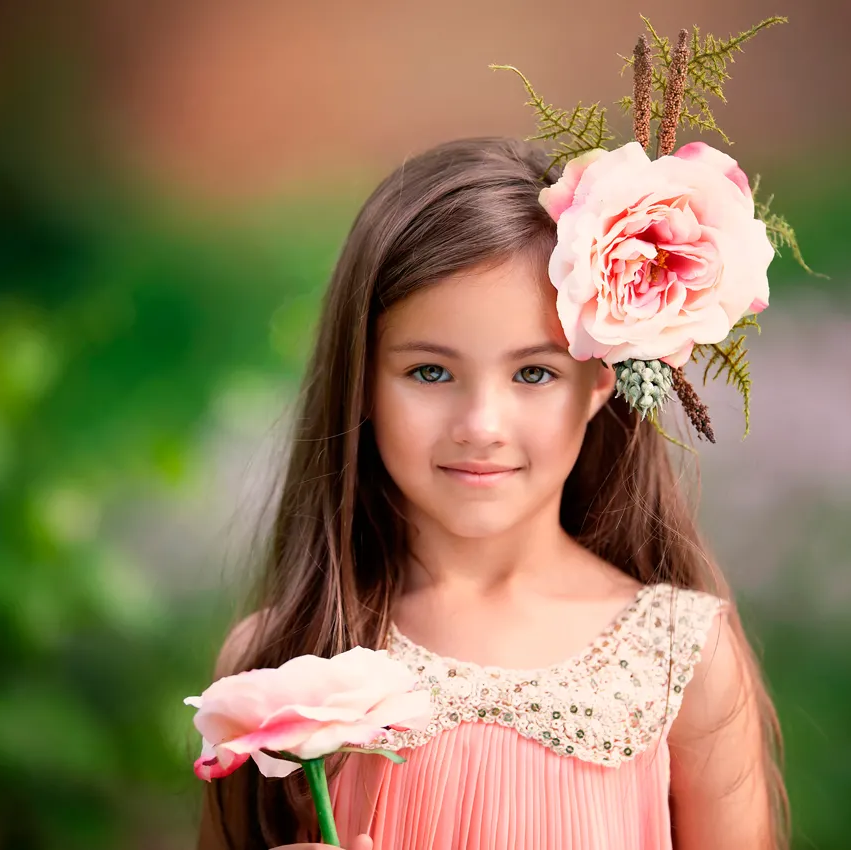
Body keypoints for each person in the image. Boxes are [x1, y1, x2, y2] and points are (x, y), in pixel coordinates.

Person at [193, 132, 787, 850]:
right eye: (431, 373)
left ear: (600, 378)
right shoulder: (279, 667)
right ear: (363, 379)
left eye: (533, 374)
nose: (481, 425)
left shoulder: (677, 659)